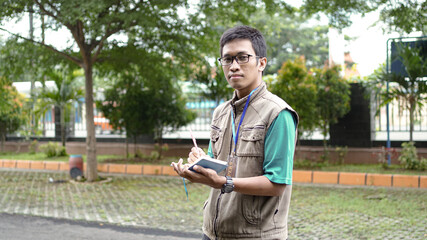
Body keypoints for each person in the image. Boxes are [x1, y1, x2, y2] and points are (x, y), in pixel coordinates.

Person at [172, 25, 298, 240]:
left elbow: (277, 184)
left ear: (261, 63)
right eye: (227, 59)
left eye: (242, 57)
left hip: (256, 235)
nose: (234, 66)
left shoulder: (278, 113)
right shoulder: (220, 112)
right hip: (213, 232)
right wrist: (199, 163)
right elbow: (216, 164)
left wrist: (223, 183)